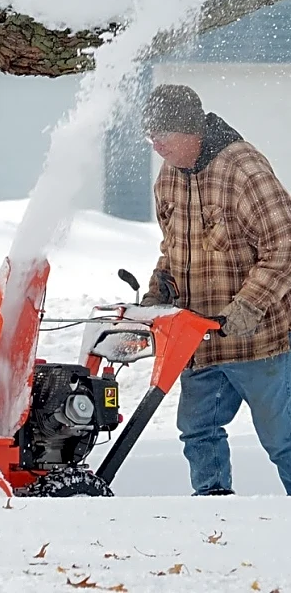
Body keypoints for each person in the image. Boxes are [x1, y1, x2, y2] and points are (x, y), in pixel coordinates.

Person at [141, 83, 291, 496]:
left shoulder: (243, 171)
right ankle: (212, 514)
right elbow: (171, 246)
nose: (156, 145)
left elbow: (284, 245)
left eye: (163, 136)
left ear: (191, 131)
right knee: (198, 433)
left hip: (257, 343)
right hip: (199, 340)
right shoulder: (169, 177)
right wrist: (159, 290)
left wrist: (248, 306)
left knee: (284, 442)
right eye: (149, 135)